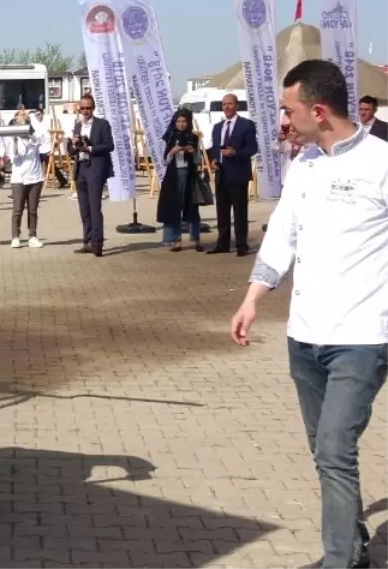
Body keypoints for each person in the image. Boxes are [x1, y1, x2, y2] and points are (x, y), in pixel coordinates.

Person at [230, 59, 388, 569]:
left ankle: (339, 559)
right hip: (305, 339)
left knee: (336, 448)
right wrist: (253, 297)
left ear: (317, 110)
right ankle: (353, 546)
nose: (282, 119)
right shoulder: (305, 164)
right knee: (325, 452)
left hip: (363, 337)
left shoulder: (382, 162)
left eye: (287, 108)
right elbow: (282, 237)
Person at [206, 93, 258, 256]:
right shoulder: (217, 127)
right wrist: (213, 160)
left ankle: (241, 245)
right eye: (224, 105)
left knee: (240, 211)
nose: (226, 107)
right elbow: (214, 149)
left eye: (229, 104)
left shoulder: (246, 125)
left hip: (238, 174)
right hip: (221, 174)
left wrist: (235, 152)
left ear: (236, 106)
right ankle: (223, 243)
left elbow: (252, 149)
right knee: (222, 211)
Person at [70, 94, 114, 256]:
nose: (85, 111)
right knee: (84, 209)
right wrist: (73, 144)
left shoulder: (102, 124)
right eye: (82, 108)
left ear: (93, 108)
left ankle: (97, 243)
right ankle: (87, 241)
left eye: (88, 108)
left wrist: (90, 148)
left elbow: (109, 145)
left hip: (95, 168)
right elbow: (71, 151)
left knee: (95, 208)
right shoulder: (77, 125)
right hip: (81, 168)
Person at [155, 108, 204, 252]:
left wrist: (193, 152)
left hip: (189, 175)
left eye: (184, 121)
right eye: (178, 121)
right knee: (173, 207)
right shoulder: (170, 137)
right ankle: (175, 239)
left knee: (192, 207)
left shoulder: (194, 138)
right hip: (173, 176)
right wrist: (172, 151)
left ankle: (196, 239)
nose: (181, 124)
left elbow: (198, 160)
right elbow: (164, 161)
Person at [6, 110, 43, 248]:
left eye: (24, 115)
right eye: (19, 115)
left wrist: (29, 129)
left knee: (33, 210)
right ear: (15, 121)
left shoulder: (34, 134)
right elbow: (14, 156)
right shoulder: (11, 138)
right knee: (17, 209)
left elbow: (39, 139)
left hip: (35, 177)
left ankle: (32, 236)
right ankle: (15, 237)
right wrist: (15, 139)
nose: (22, 115)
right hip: (19, 178)